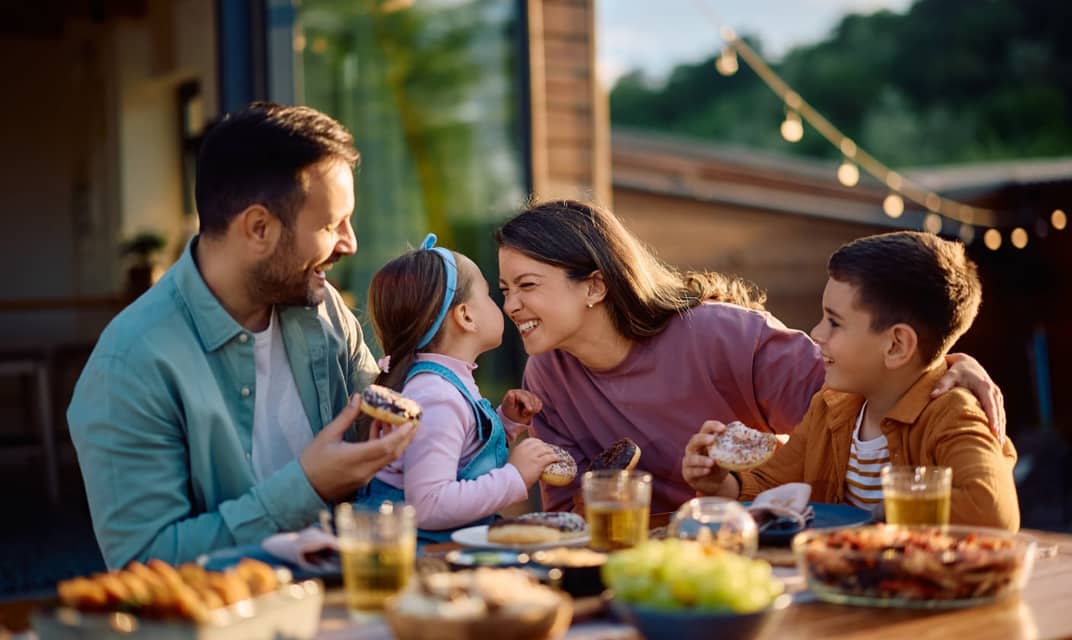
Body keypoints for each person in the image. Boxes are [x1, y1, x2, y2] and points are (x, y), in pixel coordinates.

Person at [68, 103, 417, 569]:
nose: (350, 243)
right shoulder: (129, 366)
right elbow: (144, 561)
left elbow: (383, 439)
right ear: (258, 228)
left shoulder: (325, 311)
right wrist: (309, 486)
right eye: (331, 225)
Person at [495, 200, 1006, 514]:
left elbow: (859, 388)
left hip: (757, 554)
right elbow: (568, 515)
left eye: (527, 285)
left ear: (595, 286)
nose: (511, 305)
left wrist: (947, 364)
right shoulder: (546, 377)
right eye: (504, 289)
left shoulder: (726, 336)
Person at [682, 231, 1019, 530]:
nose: (816, 333)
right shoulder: (830, 407)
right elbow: (771, 485)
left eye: (834, 322)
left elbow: (992, 511)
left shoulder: (952, 413)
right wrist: (722, 484)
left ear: (896, 345)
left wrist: (881, 516)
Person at [354, 234, 559, 543]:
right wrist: (515, 476)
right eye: (489, 294)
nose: (504, 306)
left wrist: (505, 423)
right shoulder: (436, 396)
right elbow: (429, 505)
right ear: (465, 316)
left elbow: (461, 458)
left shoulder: (444, 385)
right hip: (417, 555)